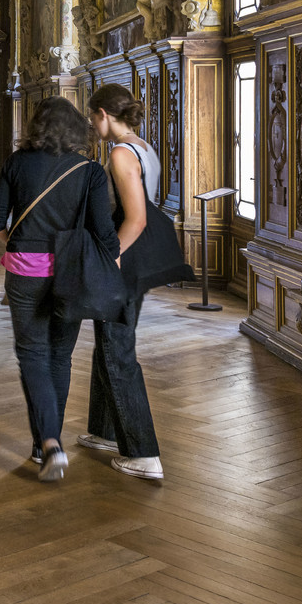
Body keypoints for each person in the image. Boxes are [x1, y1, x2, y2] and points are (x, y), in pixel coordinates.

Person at [0, 97, 120, 482]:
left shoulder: (17, 163)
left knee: (32, 355)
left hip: (25, 274)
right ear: (77, 128)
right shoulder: (91, 171)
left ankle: (47, 444)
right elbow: (104, 234)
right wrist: (113, 270)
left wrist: (15, 241)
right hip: (71, 274)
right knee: (60, 357)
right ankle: (47, 442)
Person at [81, 83, 192, 481]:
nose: (93, 127)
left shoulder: (121, 154)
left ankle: (144, 453)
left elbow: (136, 217)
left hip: (125, 259)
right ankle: (104, 430)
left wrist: (110, 260)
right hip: (137, 258)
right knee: (109, 341)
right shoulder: (145, 147)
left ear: (103, 114)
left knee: (117, 348)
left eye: (94, 118)